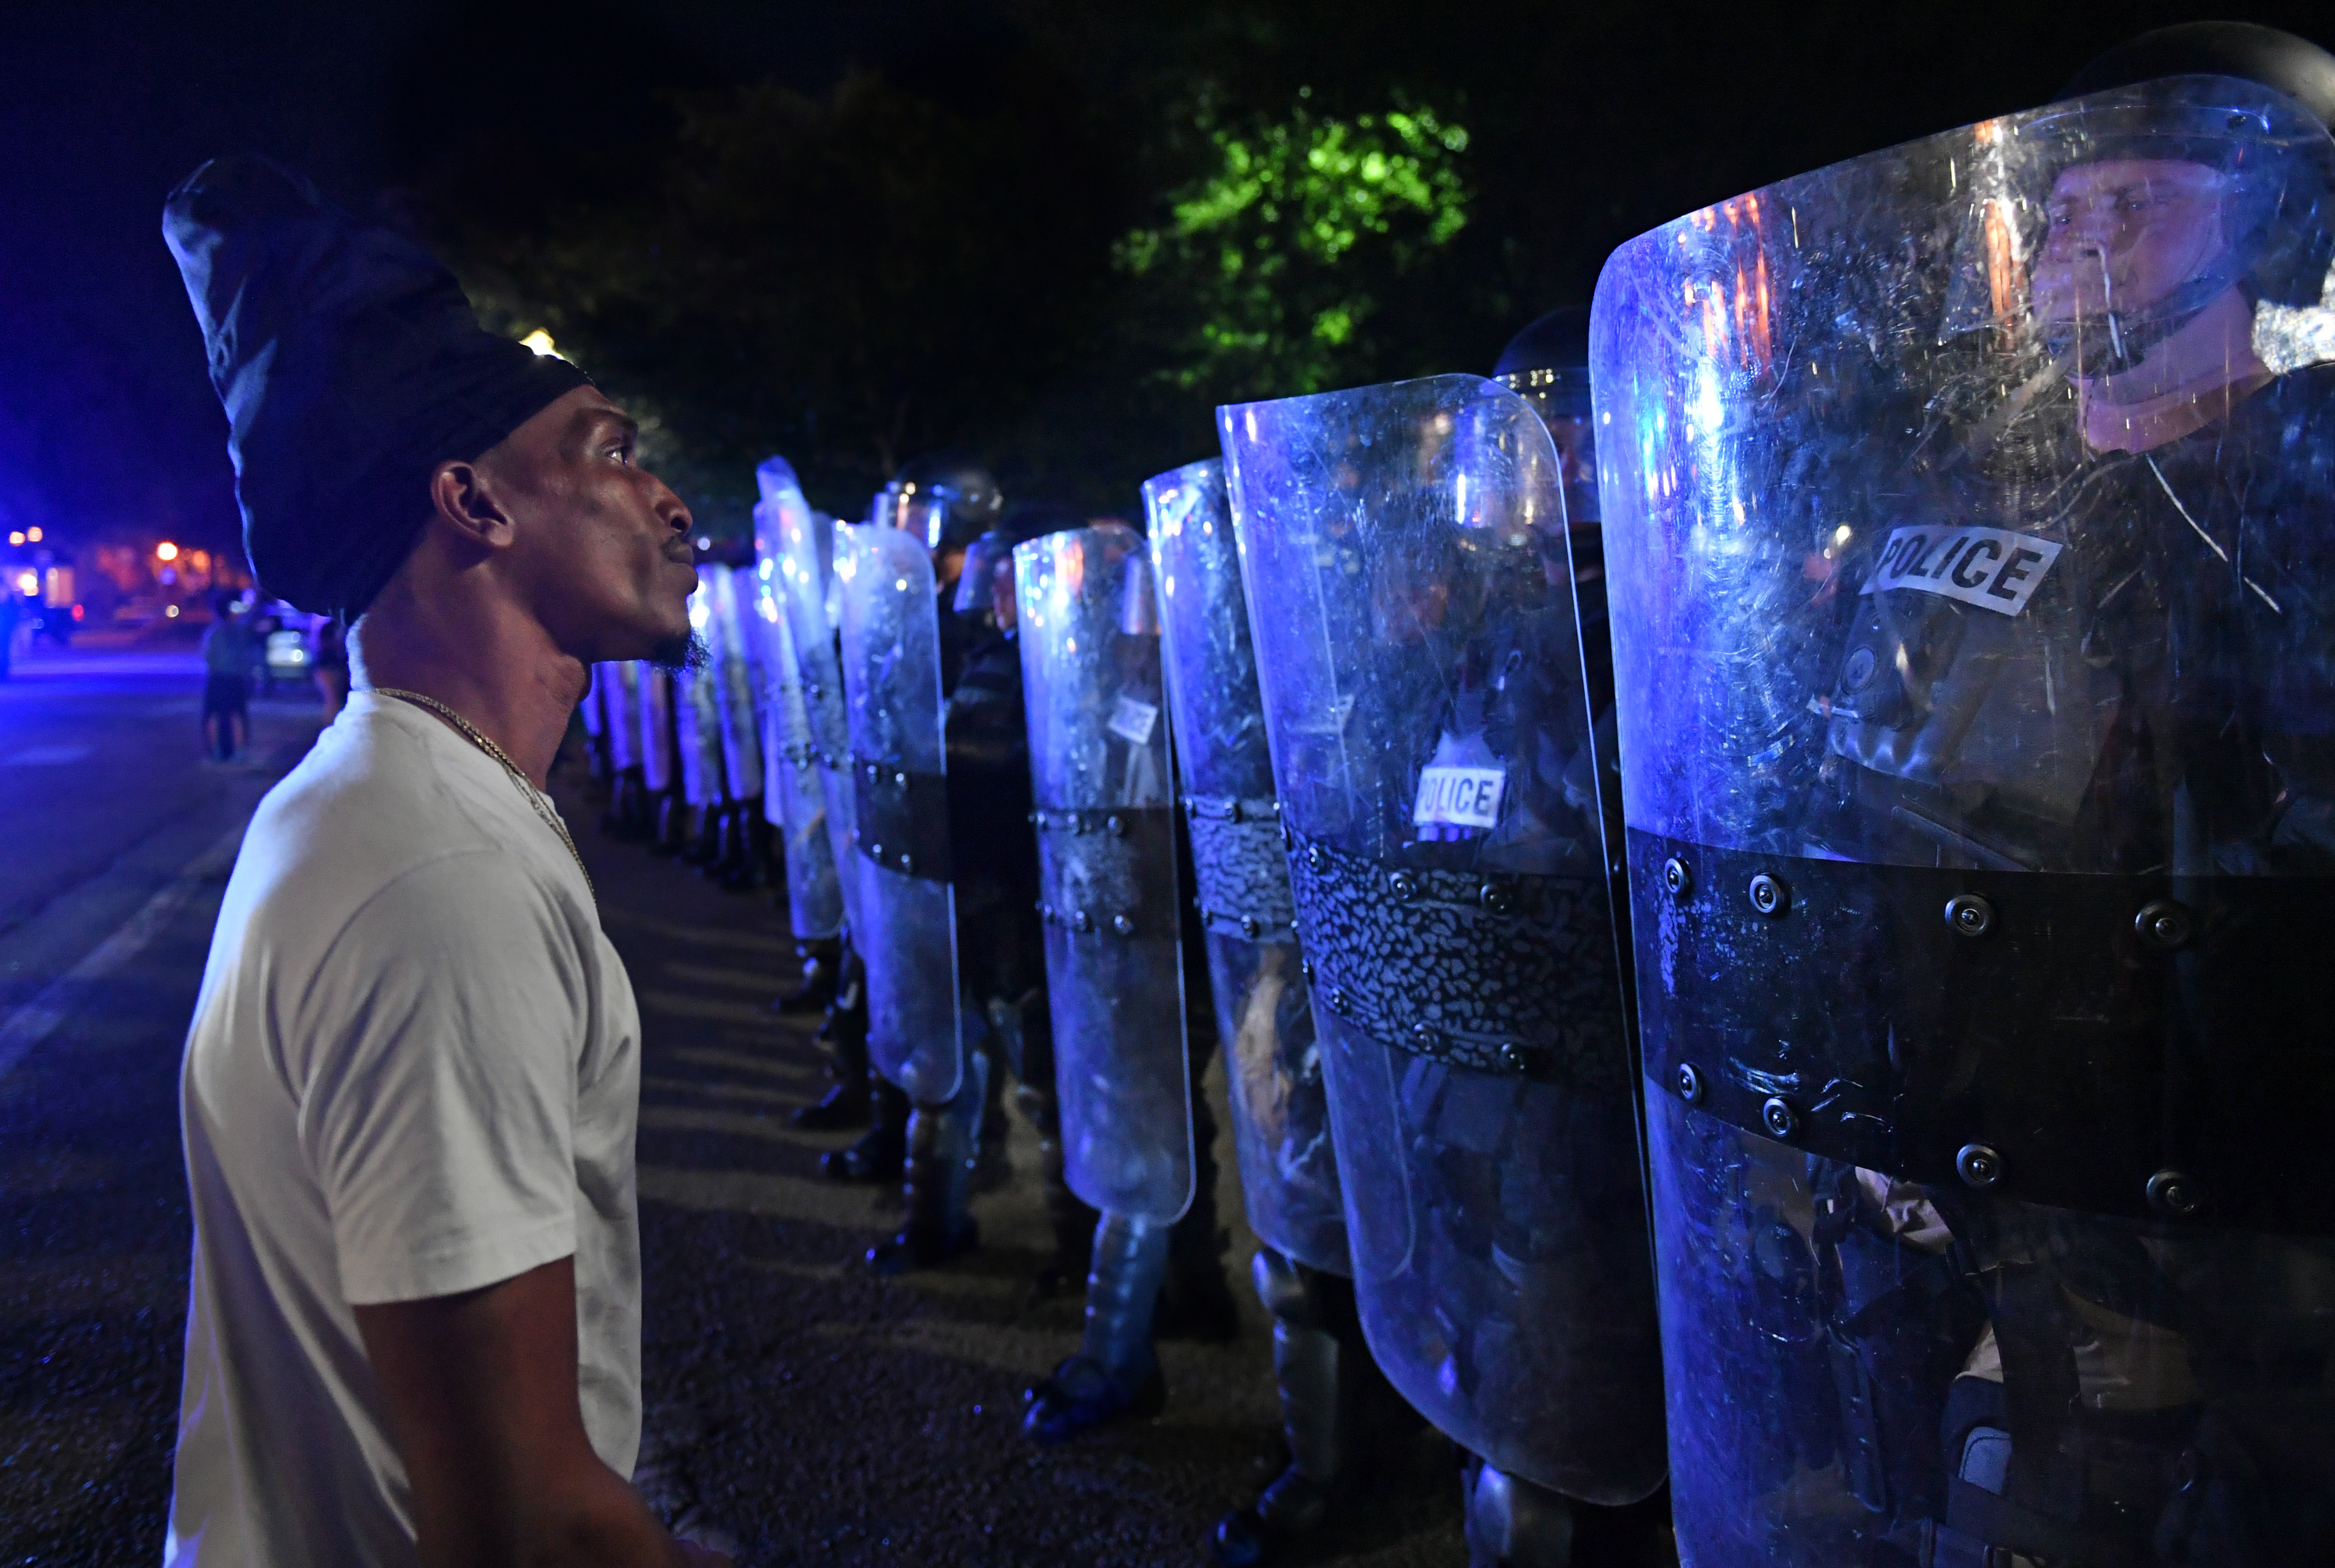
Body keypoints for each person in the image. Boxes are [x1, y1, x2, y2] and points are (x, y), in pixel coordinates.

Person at [162, 153, 734, 1565]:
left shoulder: (392, 806)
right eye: (608, 448)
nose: (667, 499)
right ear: (472, 503)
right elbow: (530, 1520)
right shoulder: (438, 885)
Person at [199, 592, 252, 762]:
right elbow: (247, 655)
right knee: (237, 714)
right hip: (236, 678)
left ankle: (217, 750)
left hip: (217, 678)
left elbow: (207, 656)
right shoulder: (240, 631)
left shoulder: (213, 632)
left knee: (214, 715)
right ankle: (239, 750)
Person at [311, 613, 349, 722]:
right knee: (333, 701)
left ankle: (332, 726)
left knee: (334, 702)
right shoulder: (331, 628)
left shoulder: (334, 627)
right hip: (329, 667)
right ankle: (331, 726)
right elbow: (325, 645)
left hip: (331, 667)